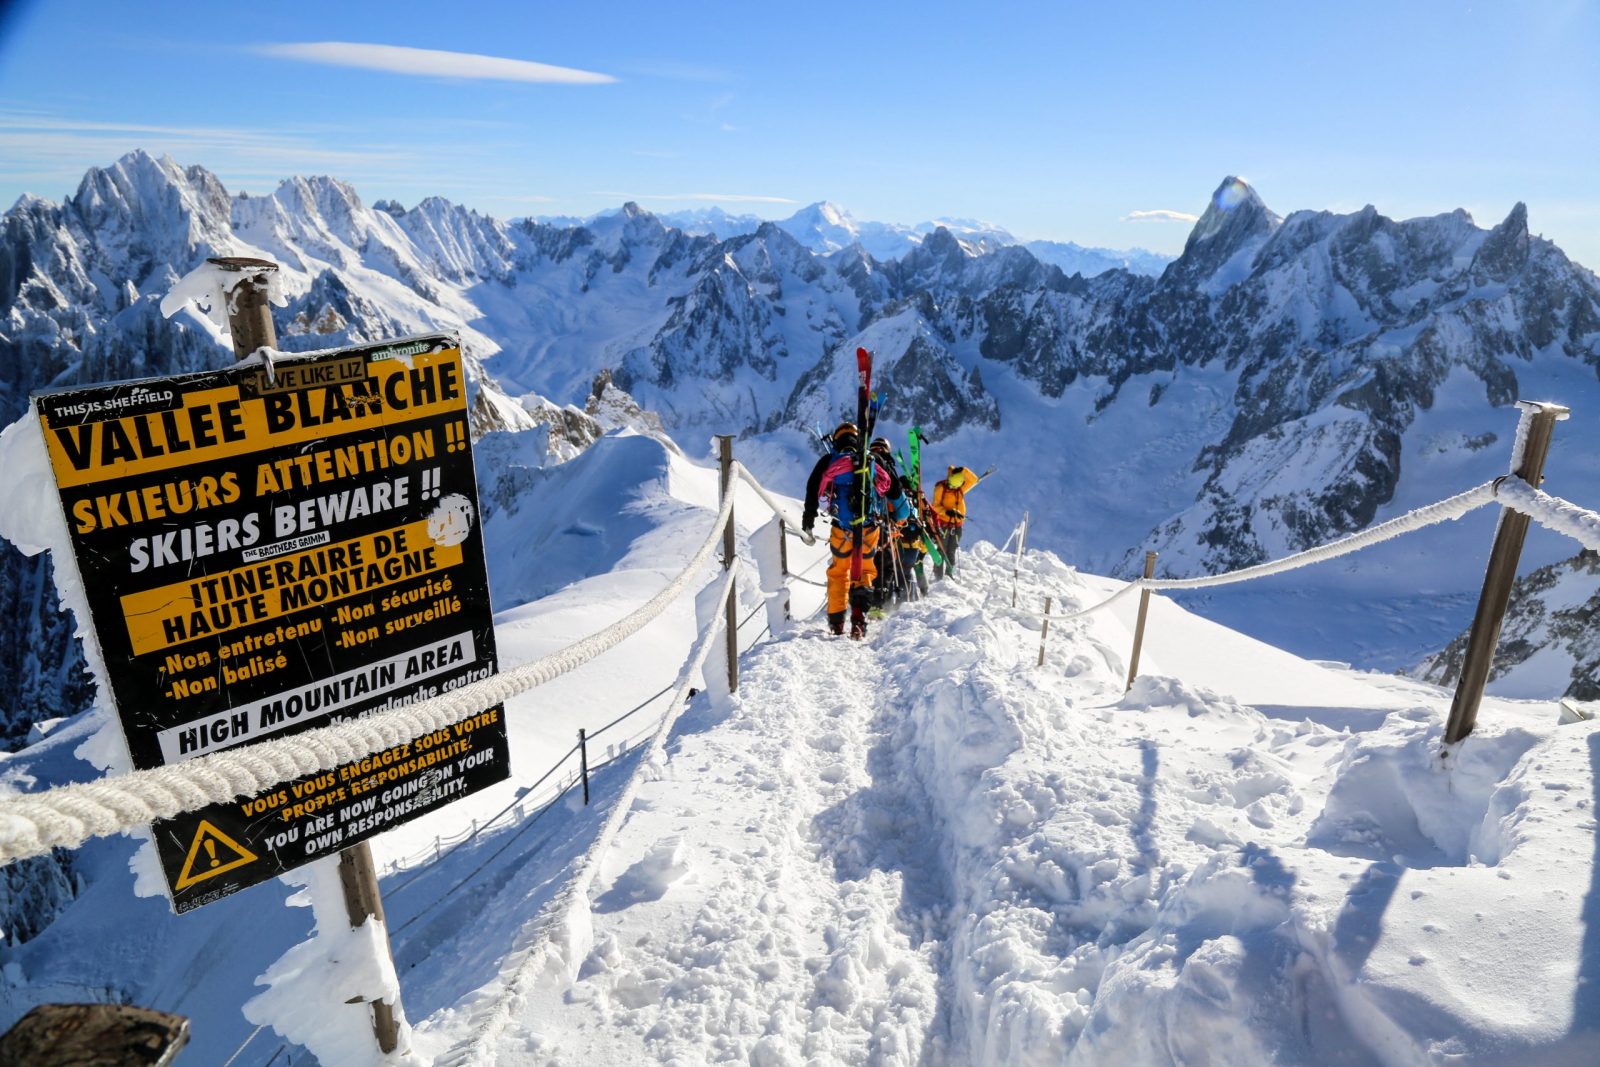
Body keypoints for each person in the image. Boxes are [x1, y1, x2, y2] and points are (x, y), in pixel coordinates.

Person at [801, 423, 910, 638]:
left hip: (841, 529)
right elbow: (895, 491)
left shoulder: (829, 461)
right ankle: (859, 619)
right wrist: (900, 517)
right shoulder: (873, 459)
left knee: (839, 572)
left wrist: (808, 520)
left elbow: (812, 489)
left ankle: (837, 623)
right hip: (870, 529)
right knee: (866, 571)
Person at [931, 464, 991, 579]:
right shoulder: (940, 488)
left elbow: (974, 480)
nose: (951, 487)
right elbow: (935, 506)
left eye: (954, 486)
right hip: (943, 524)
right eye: (951, 485)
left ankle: (949, 575)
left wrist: (963, 470)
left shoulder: (960, 488)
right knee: (941, 550)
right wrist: (947, 512)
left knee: (951, 551)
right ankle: (938, 577)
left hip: (957, 525)